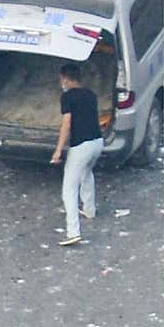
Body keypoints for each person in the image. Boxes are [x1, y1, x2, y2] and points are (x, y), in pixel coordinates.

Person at [49, 62, 104, 247]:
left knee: (69, 189)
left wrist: (58, 151)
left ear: (64, 78)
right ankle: (89, 209)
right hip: (97, 142)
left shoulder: (67, 97)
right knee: (86, 173)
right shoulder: (91, 95)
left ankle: (73, 232)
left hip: (81, 146)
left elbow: (66, 125)